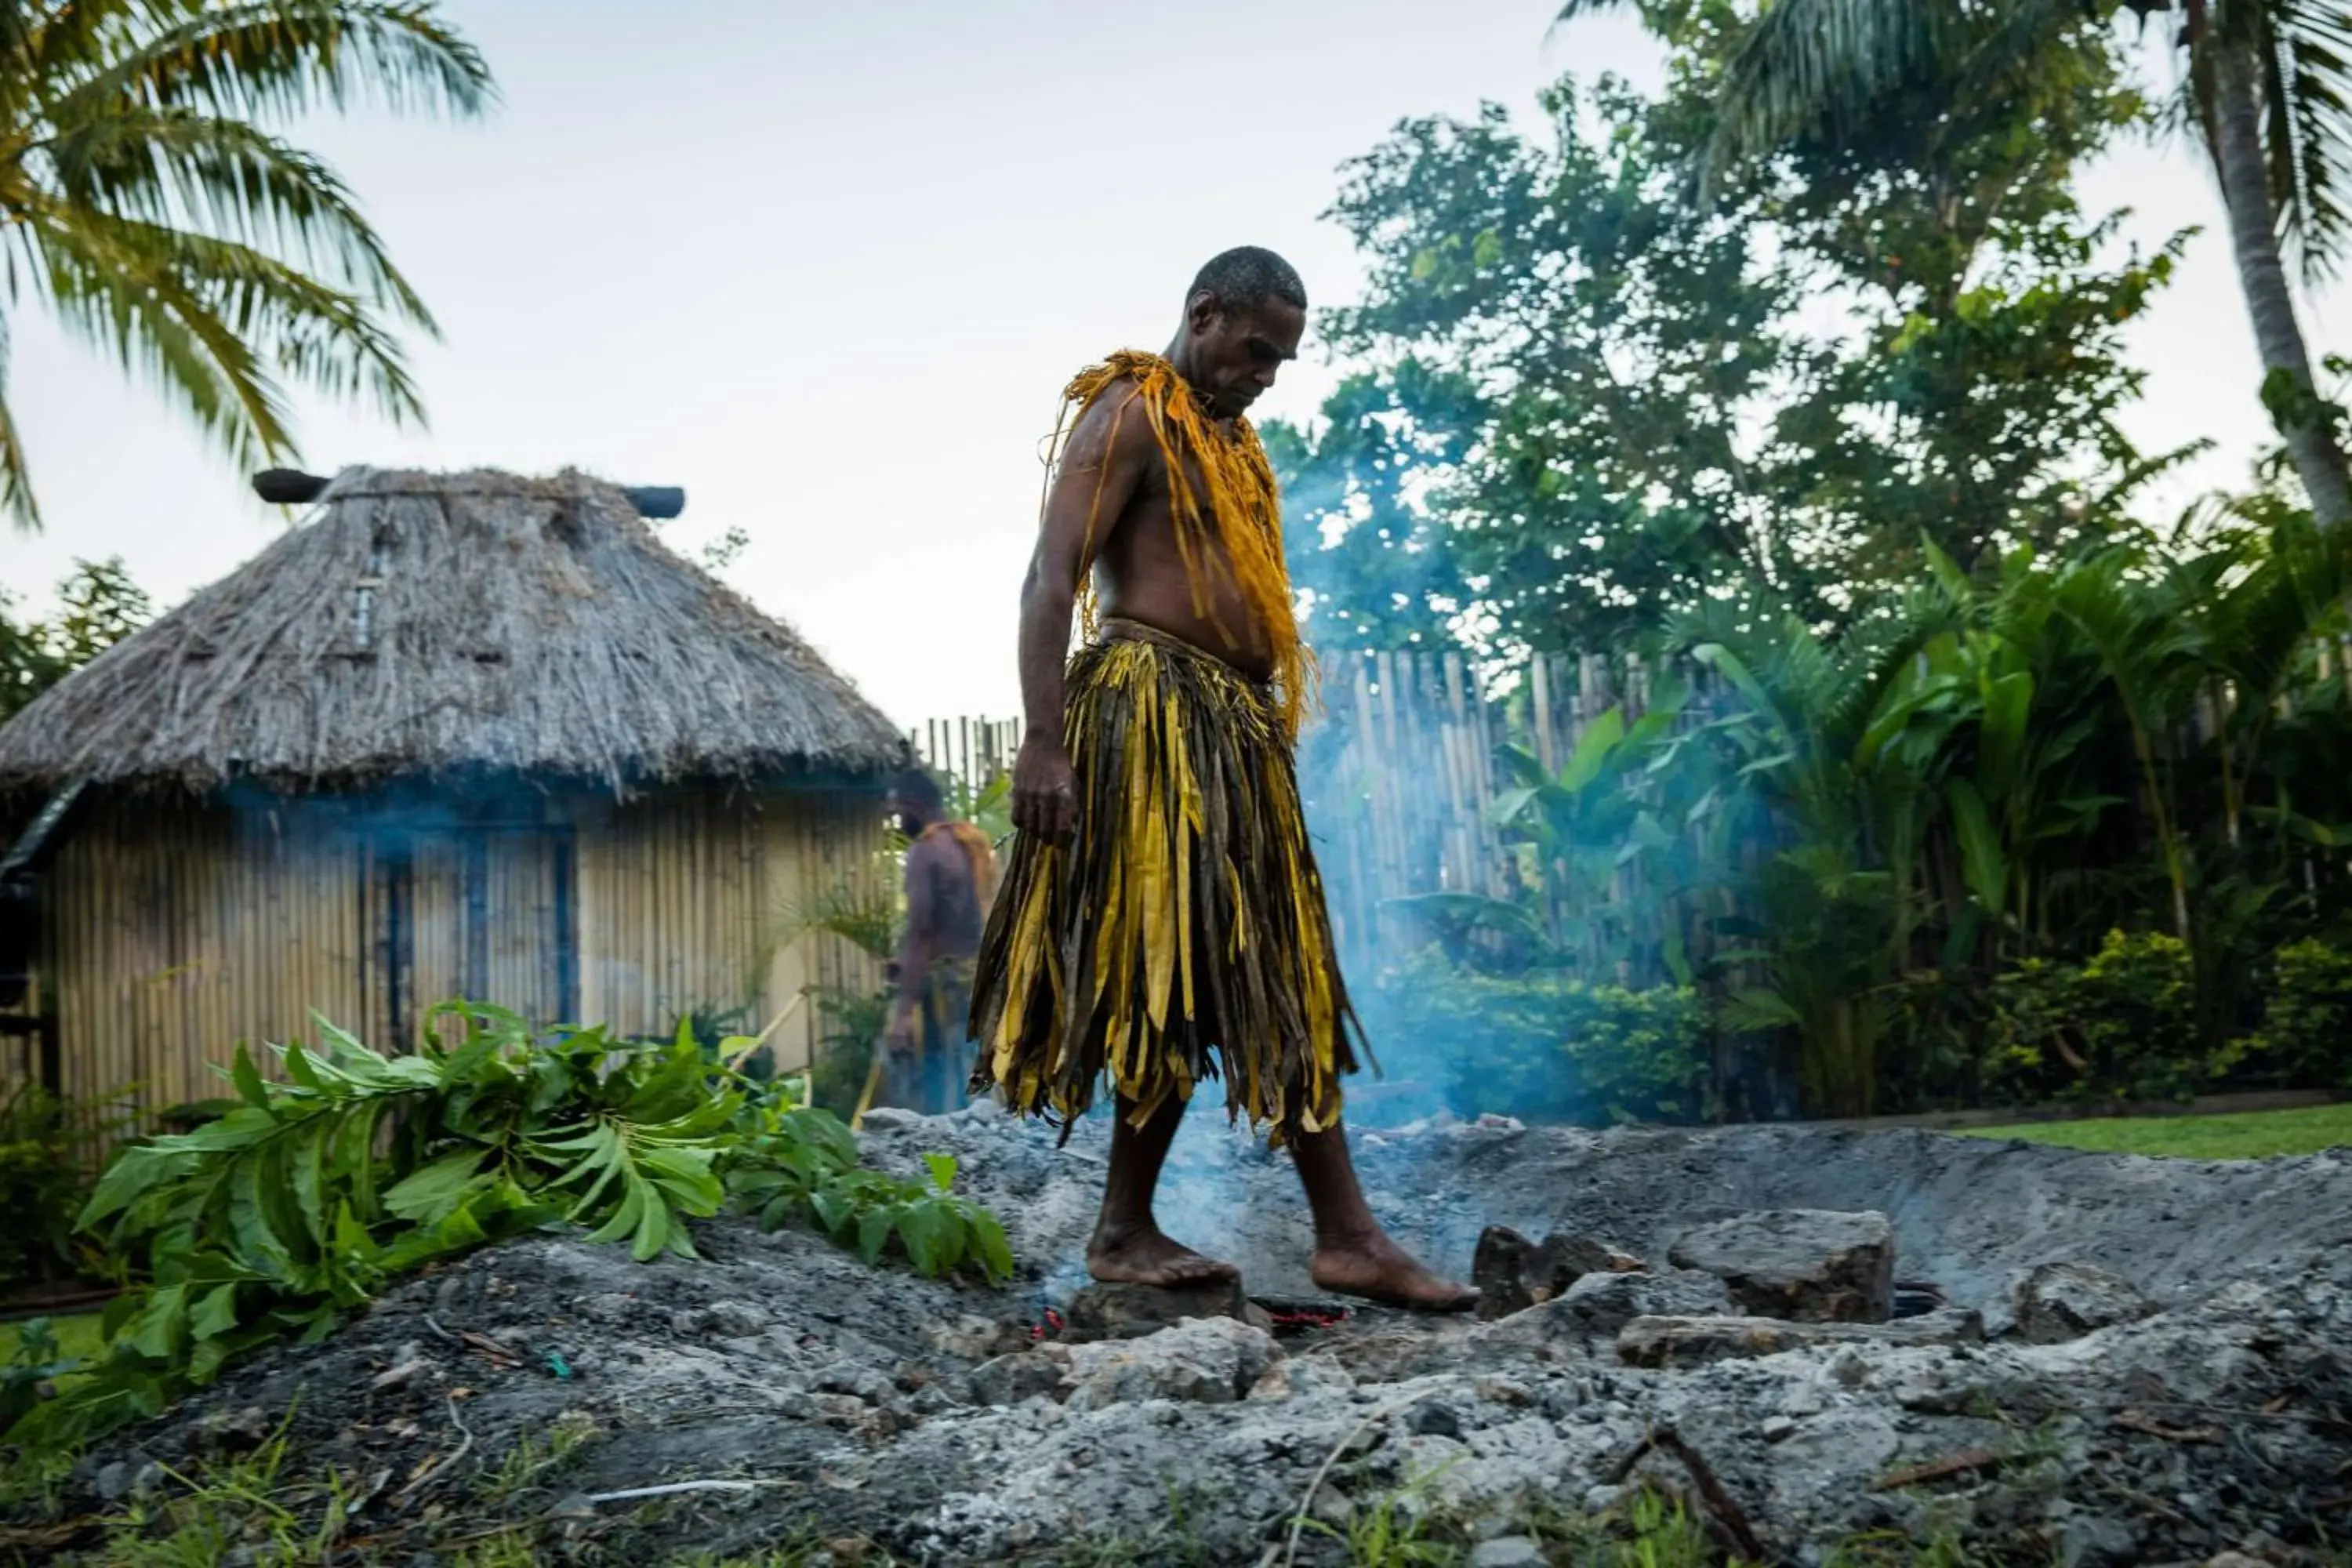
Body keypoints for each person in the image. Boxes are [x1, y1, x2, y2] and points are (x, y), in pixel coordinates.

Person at [966, 246, 1476, 1309]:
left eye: (1281, 360)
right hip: (1151, 712)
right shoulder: (1129, 413)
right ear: (1203, 315)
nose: (1266, 376)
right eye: (1255, 351)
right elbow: (1049, 578)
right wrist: (1044, 741)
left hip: (1230, 731)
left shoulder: (1231, 440)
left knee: (1270, 966)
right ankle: (1161, 1228)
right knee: (1174, 964)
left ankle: (1327, 1234)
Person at [882, 768, 994, 1114]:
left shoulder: (926, 851)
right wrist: (903, 964)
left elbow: (922, 933)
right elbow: (965, 920)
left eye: (899, 813)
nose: (898, 823)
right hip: (982, 979)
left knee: (947, 1085)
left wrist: (903, 1014)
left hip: (947, 988)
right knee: (978, 1080)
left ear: (913, 805)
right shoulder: (973, 844)